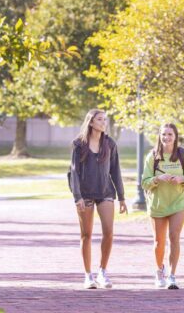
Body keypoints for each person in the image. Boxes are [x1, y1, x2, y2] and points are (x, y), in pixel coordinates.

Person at [69, 109, 127, 289]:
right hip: (84, 194)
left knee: (108, 232)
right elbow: (74, 172)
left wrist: (122, 197)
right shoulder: (79, 144)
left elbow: (115, 171)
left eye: (105, 120)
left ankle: (102, 271)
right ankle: (88, 275)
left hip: (105, 192)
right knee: (86, 235)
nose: (104, 123)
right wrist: (77, 196)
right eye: (100, 119)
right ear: (91, 122)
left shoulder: (109, 144)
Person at [141, 123, 184, 289]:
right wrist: (157, 179)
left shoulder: (183, 154)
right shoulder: (153, 156)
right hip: (158, 204)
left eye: (170, 134)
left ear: (175, 136)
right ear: (159, 136)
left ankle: (172, 276)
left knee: (174, 237)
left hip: (178, 202)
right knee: (159, 242)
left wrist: (182, 179)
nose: (166, 137)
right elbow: (144, 182)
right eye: (163, 134)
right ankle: (159, 270)